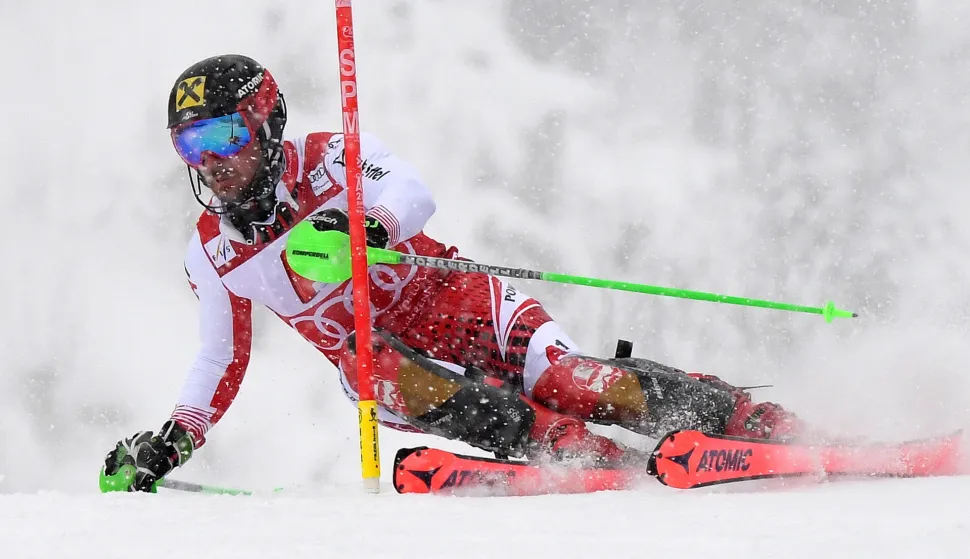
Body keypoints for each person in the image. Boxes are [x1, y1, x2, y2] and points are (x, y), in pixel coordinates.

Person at [102, 54, 807, 492]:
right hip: (391, 363)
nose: (210, 161)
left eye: (223, 134)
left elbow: (412, 192)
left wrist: (368, 227)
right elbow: (221, 356)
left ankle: (739, 417)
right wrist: (176, 437)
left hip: (457, 298)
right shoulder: (212, 252)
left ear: (265, 124)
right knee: (367, 364)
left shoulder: (330, 158)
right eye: (189, 144)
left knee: (570, 383)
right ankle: (569, 451)